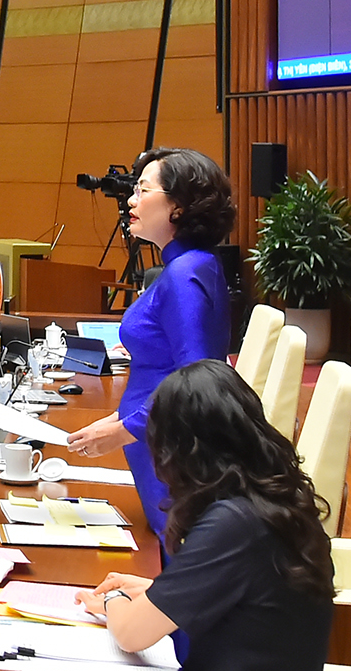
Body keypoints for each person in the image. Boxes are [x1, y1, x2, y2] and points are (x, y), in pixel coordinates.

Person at [77, 359, 335, 671]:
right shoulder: (275, 501)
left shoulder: (233, 523)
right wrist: (154, 593)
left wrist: (109, 605)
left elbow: (130, 633)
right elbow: (249, 600)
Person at [66, 148, 236, 539]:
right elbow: (159, 367)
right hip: (157, 441)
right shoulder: (188, 265)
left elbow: (194, 381)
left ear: (178, 206)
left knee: (170, 557)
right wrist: (119, 419)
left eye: (143, 190)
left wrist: (126, 428)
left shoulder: (185, 274)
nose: (131, 200)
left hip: (174, 455)